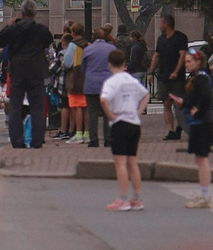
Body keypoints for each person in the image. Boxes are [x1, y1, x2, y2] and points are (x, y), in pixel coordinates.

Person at [0, 3, 54, 150]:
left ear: (21, 13)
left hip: (18, 70)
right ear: (35, 13)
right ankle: (37, 140)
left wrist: (8, 26)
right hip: (36, 70)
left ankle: (17, 141)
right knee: (37, 107)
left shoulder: (14, 29)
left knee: (15, 106)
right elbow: (48, 41)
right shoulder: (41, 30)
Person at [99, 46, 150, 212]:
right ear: (123, 63)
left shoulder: (112, 82)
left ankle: (123, 199)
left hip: (120, 122)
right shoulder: (131, 80)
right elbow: (146, 94)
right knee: (132, 162)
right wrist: (138, 111)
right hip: (134, 123)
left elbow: (103, 100)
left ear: (109, 64)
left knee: (120, 163)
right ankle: (137, 198)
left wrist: (111, 115)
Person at [178, 44, 213, 209]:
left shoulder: (201, 77)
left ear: (197, 61)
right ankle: (203, 194)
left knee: (202, 160)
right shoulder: (200, 76)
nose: (186, 64)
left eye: (188, 61)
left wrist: (197, 111)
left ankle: (205, 196)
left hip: (202, 124)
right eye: (185, 61)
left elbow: (207, 96)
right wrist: (186, 103)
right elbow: (199, 97)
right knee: (200, 159)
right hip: (201, 123)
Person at [80, 26, 115, 147]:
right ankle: (109, 139)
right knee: (108, 113)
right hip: (108, 85)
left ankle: (93, 139)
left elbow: (83, 68)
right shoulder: (112, 49)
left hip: (91, 85)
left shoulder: (88, 50)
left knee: (92, 113)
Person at [154, 14, 187, 139]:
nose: (159, 25)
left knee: (179, 103)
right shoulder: (161, 39)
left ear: (166, 24)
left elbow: (182, 56)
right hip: (163, 76)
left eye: (161, 23)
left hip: (177, 78)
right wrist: (151, 72)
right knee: (166, 103)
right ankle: (170, 130)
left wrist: (176, 71)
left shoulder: (180, 38)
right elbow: (156, 56)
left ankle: (180, 126)